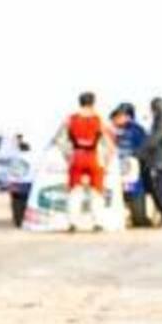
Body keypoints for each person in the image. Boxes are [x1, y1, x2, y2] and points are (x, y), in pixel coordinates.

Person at [56, 92, 115, 232]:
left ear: (79, 102)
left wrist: (67, 155)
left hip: (77, 156)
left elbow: (59, 139)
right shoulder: (99, 120)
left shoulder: (70, 119)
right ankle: (98, 222)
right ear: (93, 103)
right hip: (94, 157)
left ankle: (73, 223)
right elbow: (109, 143)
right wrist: (107, 161)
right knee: (97, 191)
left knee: (74, 191)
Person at [111, 103, 152, 227]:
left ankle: (139, 218)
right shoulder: (113, 130)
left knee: (135, 191)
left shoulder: (137, 130)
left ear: (128, 116)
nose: (117, 119)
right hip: (117, 167)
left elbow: (144, 149)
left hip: (131, 168)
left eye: (120, 116)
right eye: (116, 117)